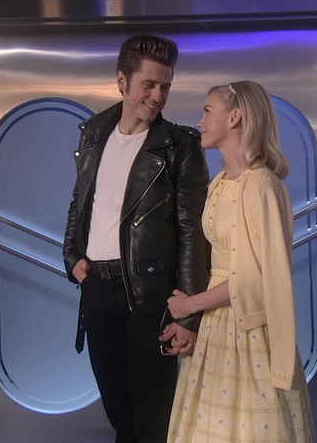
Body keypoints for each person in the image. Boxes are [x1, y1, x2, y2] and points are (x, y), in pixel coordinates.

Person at [63, 34, 211, 443]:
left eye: (165, 86)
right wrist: (71, 256)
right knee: (119, 413)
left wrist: (187, 314)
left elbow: (193, 232)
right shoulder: (93, 134)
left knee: (153, 419)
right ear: (122, 81)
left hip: (151, 295)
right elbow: (80, 203)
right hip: (97, 288)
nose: (158, 95)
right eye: (149, 84)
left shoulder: (180, 145)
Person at [165, 81, 316, 442]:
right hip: (215, 327)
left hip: (249, 329)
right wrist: (191, 319)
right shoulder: (219, 182)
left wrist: (190, 305)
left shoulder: (261, 185)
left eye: (207, 111)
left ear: (234, 117)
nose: (200, 121)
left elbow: (256, 278)